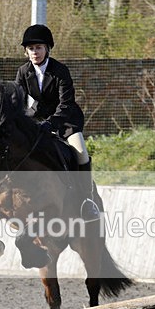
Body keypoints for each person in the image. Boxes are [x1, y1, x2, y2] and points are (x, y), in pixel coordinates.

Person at [15, 24, 101, 222]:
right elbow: (17, 101)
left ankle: (87, 200)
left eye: (38, 47)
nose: (34, 52)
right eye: (31, 49)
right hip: (37, 119)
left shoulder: (60, 70)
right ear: (26, 51)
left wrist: (51, 124)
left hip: (65, 120)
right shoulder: (23, 72)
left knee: (81, 153)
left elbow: (66, 103)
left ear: (47, 49)